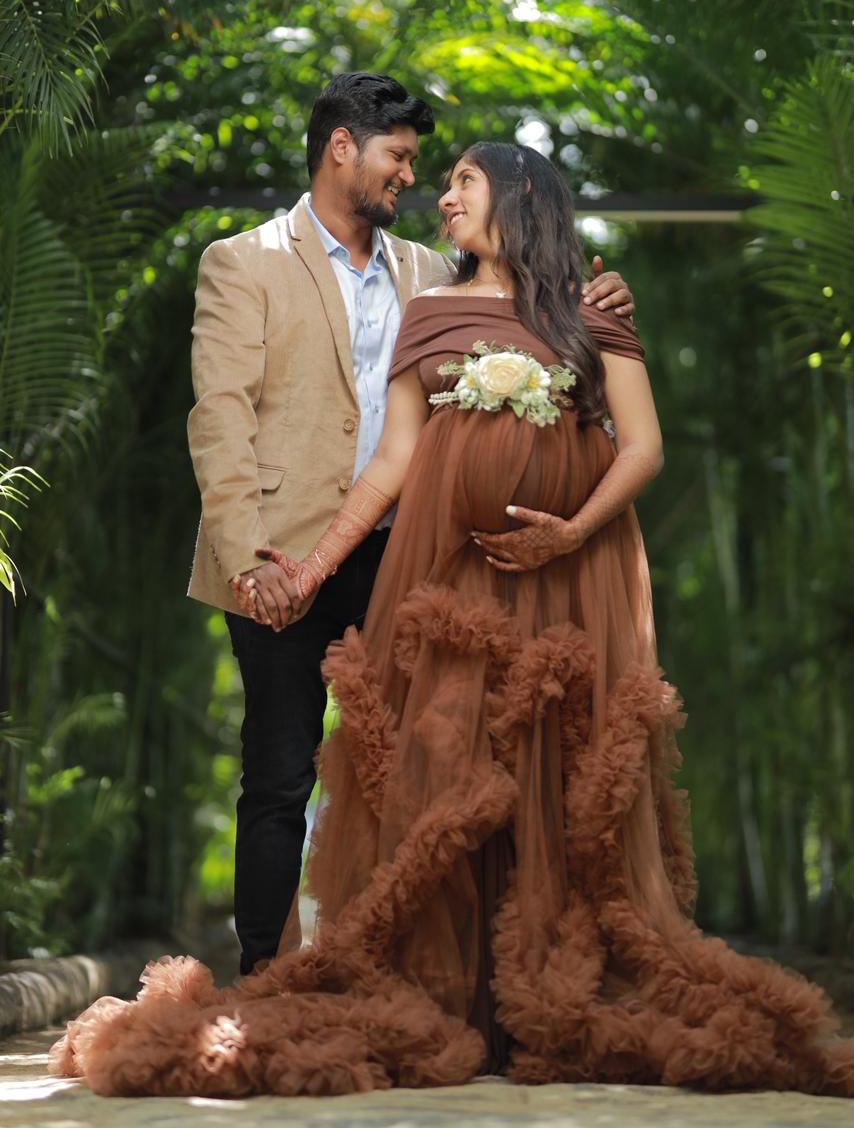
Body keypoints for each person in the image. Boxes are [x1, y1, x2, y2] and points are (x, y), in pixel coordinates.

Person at [51, 142, 854, 1098]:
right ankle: (457, 994)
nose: (442, 198)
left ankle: (554, 987)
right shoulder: (428, 311)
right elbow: (392, 460)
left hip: (571, 584)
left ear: (516, 197)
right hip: (452, 594)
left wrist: (572, 530)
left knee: (559, 777)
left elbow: (642, 446)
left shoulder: (591, 315)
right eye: (440, 183)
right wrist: (310, 565)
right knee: (451, 781)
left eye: (461, 182)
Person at [183, 73, 634, 978]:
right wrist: (252, 565)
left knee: (407, 773)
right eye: (398, 157)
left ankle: (386, 964)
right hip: (281, 557)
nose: (411, 180)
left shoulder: (432, 272)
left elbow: (532, 303)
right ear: (342, 148)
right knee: (279, 775)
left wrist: (605, 297)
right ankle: (267, 972)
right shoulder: (245, 260)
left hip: (415, 565)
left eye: (423, 165)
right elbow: (218, 418)